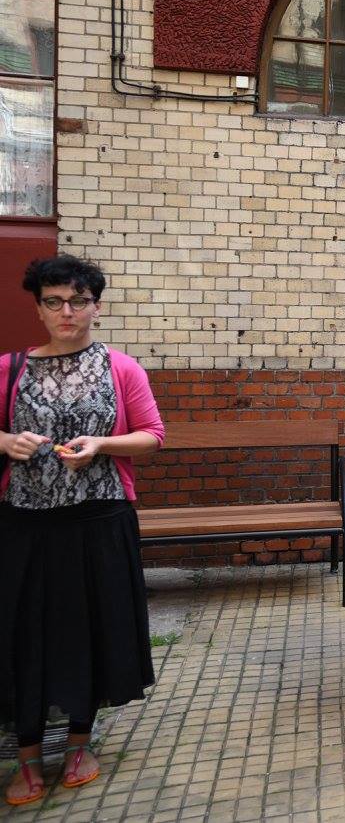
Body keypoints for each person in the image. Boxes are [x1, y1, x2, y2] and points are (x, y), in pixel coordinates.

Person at [0, 255, 164, 806]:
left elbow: (152, 435)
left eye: (78, 301)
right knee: (22, 632)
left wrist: (102, 445)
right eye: (54, 301)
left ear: (96, 306)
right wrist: (6, 442)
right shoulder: (9, 369)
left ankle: (78, 743)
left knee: (89, 628)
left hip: (98, 521)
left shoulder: (121, 368)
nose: (66, 312)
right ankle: (26, 756)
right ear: (39, 308)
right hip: (25, 524)